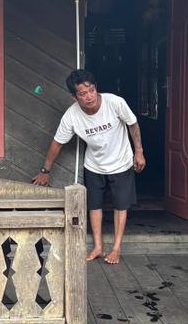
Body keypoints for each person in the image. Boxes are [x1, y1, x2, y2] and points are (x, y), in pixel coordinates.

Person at [32, 69, 145, 265]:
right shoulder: (72, 116)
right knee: (94, 206)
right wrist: (45, 171)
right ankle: (98, 247)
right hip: (94, 165)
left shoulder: (114, 102)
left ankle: (116, 248)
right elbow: (57, 143)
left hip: (121, 162)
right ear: (74, 97)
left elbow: (133, 124)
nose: (89, 97)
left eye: (91, 90)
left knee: (121, 205)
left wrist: (139, 151)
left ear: (96, 88)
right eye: (83, 94)